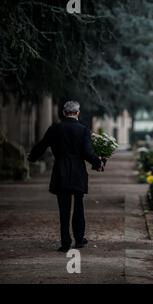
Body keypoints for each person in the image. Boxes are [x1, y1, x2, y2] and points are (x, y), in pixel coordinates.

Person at [28, 101, 103, 252]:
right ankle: (79, 239)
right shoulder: (83, 130)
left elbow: (42, 145)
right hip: (78, 172)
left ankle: (65, 242)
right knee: (79, 206)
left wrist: (32, 158)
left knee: (63, 209)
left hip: (60, 170)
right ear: (77, 113)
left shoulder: (55, 128)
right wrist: (98, 163)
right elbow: (87, 152)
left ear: (63, 112)